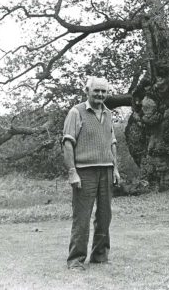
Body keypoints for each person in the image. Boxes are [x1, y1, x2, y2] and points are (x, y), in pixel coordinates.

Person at [62, 76, 120, 271]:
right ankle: (76, 260)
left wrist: (116, 169)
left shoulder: (109, 113)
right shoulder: (76, 112)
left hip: (107, 169)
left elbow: (112, 143)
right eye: (96, 91)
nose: (100, 95)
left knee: (105, 215)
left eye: (104, 91)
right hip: (84, 171)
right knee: (82, 216)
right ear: (87, 90)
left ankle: (100, 255)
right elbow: (68, 144)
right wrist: (72, 172)